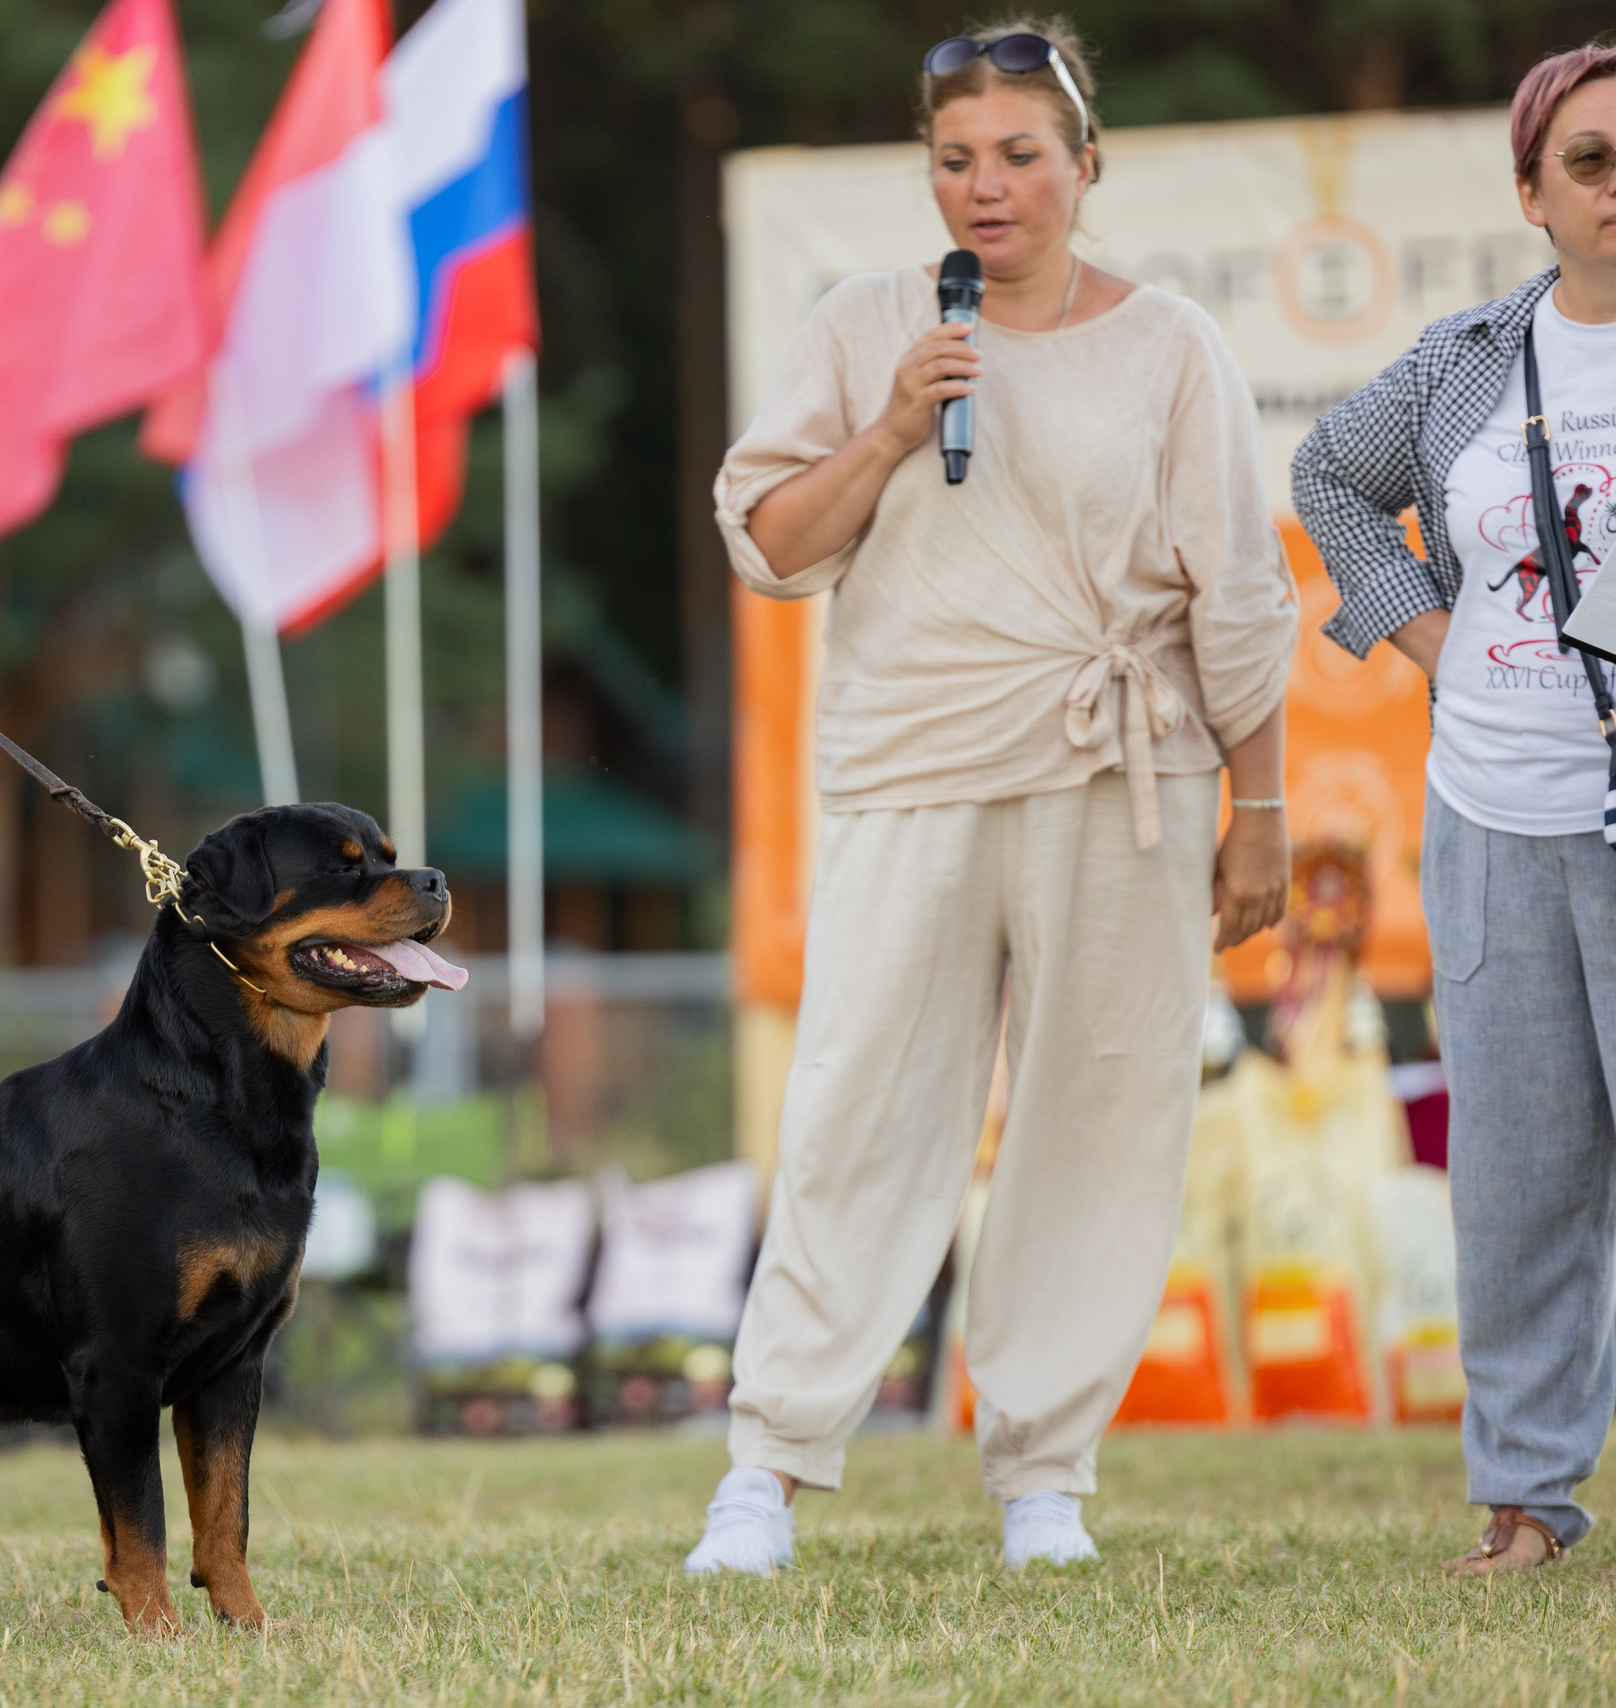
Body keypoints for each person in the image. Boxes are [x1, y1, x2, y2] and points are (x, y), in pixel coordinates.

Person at [684, 18, 1295, 1576]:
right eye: (957, 160)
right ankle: (769, 1464)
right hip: (915, 764)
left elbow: (1235, 593)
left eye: (1021, 155)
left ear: (1086, 167)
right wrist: (894, 422)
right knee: (857, 1107)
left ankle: (1044, 1478)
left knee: (1101, 1114)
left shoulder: (1173, 347)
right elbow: (769, 541)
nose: (988, 188)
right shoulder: (865, 323)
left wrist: (1263, 807)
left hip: (1122, 771)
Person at [1295, 38, 1616, 1577]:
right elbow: (1327, 473)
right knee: (1517, 1174)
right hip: (1490, 814)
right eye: (1594, 164)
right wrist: (1428, 633)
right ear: (1532, 192)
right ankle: (1529, 1502)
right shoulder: (1471, 356)